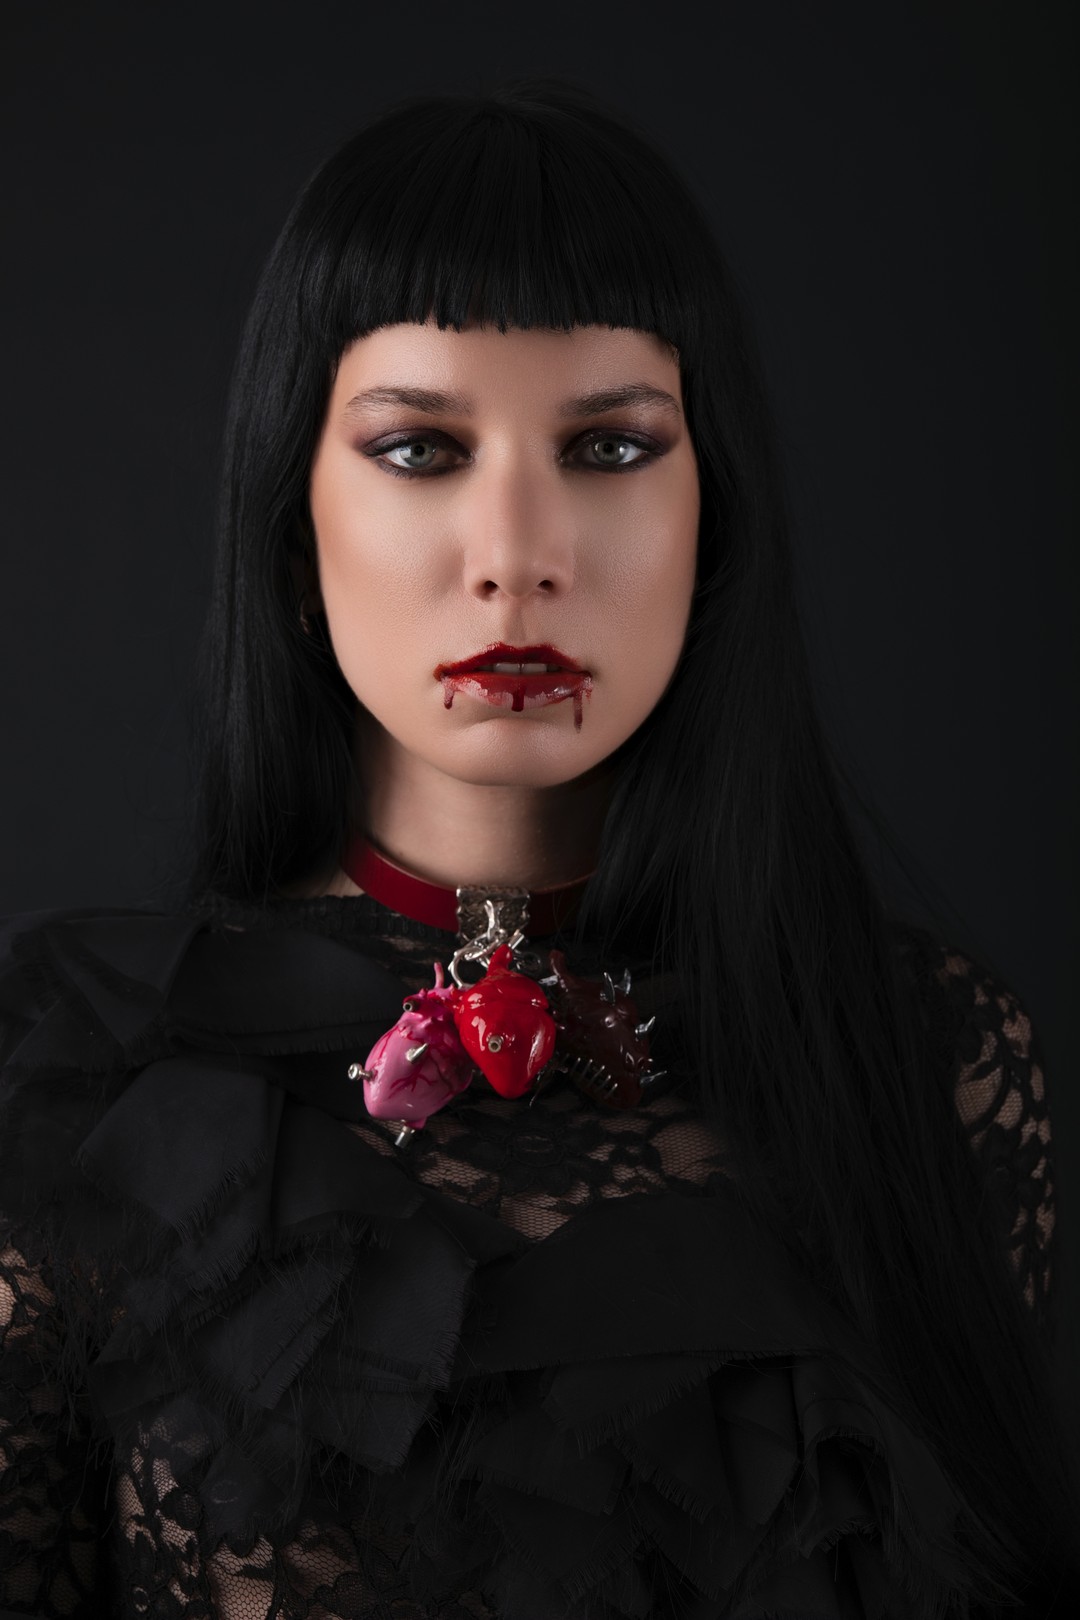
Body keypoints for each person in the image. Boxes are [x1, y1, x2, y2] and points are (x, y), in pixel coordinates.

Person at [0, 78, 1074, 1620]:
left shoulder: (935, 1063)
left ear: (715, 518)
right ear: (293, 525)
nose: (518, 556)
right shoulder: (71, 1081)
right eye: (420, 450)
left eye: (613, 448)